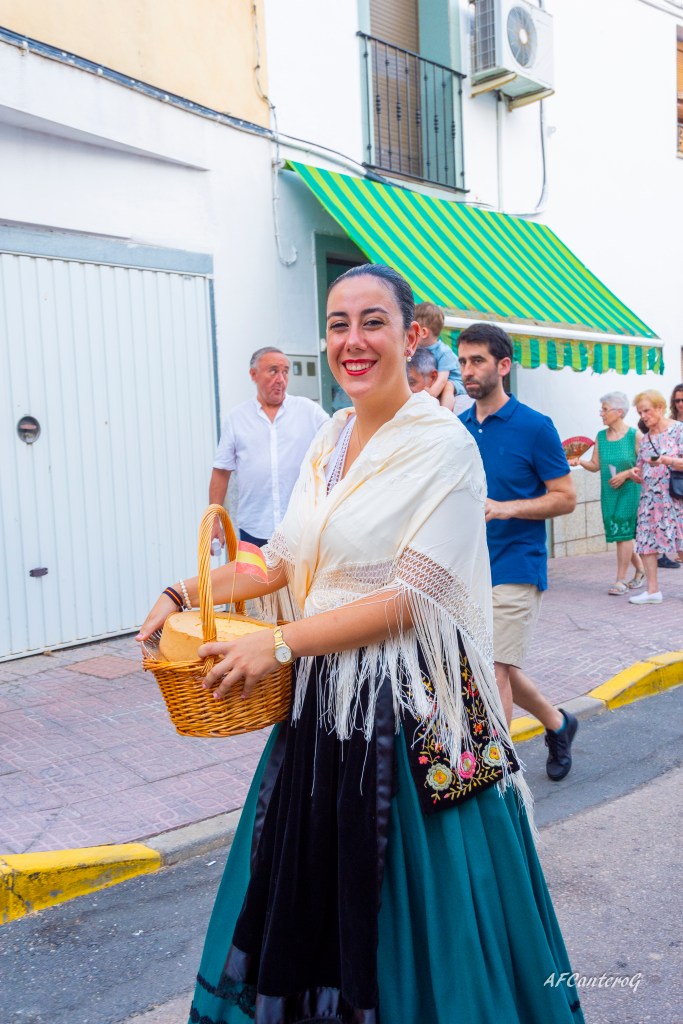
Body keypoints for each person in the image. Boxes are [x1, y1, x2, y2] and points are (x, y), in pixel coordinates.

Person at [138, 265, 584, 1024]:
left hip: (408, 711)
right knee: (306, 891)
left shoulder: (444, 445)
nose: (353, 339)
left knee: (419, 914)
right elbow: (279, 560)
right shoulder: (330, 438)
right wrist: (185, 591)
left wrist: (280, 643)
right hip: (323, 704)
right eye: (338, 323)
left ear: (411, 337)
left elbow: (413, 598)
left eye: (373, 321)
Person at [458, 323, 579, 782]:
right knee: (493, 663)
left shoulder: (535, 426)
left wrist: (506, 508)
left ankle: (497, 783)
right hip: (468, 569)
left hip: (516, 563)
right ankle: (558, 723)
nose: (467, 370)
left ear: (503, 365)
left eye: (478, 361)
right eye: (463, 361)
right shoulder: (457, 429)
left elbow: (565, 497)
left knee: (492, 669)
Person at [209, 347, 328, 549]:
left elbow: (340, 442)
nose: (281, 379)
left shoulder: (309, 411)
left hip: (300, 527)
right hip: (253, 529)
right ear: (253, 374)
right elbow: (221, 472)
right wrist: (214, 520)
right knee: (253, 571)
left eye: (285, 372)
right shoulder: (236, 418)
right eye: (273, 371)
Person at [568, 391, 645, 594]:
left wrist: (626, 474)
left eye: (604, 410)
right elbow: (595, 465)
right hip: (610, 492)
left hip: (630, 490)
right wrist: (580, 461)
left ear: (619, 412)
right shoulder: (601, 437)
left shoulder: (634, 435)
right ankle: (640, 569)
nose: (601, 414)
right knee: (620, 534)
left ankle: (620, 580)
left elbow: (646, 465)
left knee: (624, 531)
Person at [627, 389, 683, 604]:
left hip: (675, 498)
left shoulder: (678, 430)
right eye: (640, 413)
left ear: (660, 408)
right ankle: (652, 591)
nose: (643, 416)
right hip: (650, 499)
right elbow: (641, 468)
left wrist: (666, 460)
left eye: (646, 411)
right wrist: (635, 473)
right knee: (646, 542)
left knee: (681, 542)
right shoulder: (646, 439)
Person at [414, 301, 465, 411]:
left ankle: (445, 413)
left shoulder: (444, 352)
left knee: (448, 386)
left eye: (413, 330)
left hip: (455, 381)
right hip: (435, 380)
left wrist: (430, 395)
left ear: (423, 333)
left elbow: (442, 380)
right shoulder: (418, 348)